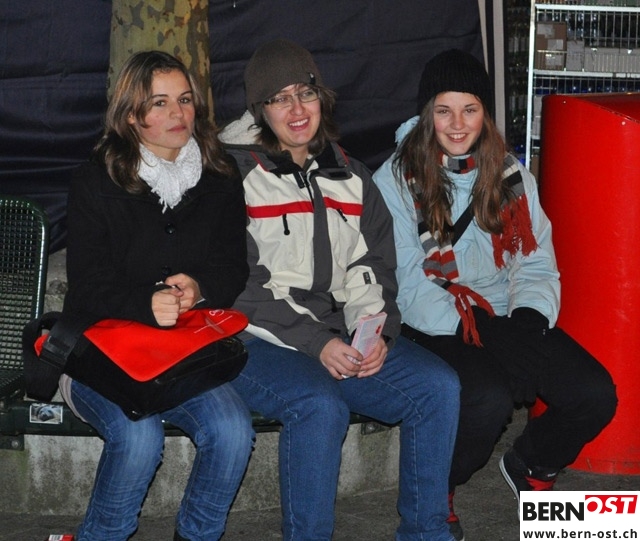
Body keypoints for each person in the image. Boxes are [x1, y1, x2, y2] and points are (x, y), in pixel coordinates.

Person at [218, 39, 461, 541]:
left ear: (321, 97)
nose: (297, 109)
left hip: (334, 332)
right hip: (253, 338)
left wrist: (374, 333)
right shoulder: (231, 177)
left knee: (437, 387)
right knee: (320, 405)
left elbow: (372, 265)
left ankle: (427, 534)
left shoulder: (350, 174)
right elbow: (238, 285)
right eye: (279, 98)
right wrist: (318, 343)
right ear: (259, 110)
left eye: (305, 93)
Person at [372, 49, 617, 540]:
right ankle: (438, 486)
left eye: (470, 109)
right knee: (486, 397)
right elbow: (407, 283)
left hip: (505, 315)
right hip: (434, 318)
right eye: (444, 110)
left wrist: (527, 321)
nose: (457, 124)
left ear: (486, 113)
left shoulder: (509, 174)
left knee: (594, 394)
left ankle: (531, 463)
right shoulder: (394, 179)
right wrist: (484, 331)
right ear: (427, 113)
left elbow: (536, 259)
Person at [61, 50, 254, 541]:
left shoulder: (220, 176)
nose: (178, 114)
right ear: (131, 115)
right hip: (98, 350)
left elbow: (232, 268)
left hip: (180, 352)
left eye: (185, 100)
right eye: (160, 103)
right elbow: (86, 285)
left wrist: (200, 287)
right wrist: (144, 302)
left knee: (233, 431)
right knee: (138, 437)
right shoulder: (95, 180)